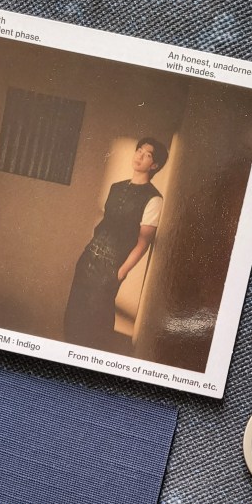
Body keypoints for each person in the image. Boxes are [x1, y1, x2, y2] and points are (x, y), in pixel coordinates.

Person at [64, 137, 168, 350]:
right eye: (139, 150)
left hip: (111, 266)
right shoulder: (116, 188)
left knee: (96, 319)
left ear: (154, 165)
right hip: (89, 257)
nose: (139, 156)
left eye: (147, 155)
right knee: (75, 313)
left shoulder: (154, 199)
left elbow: (143, 242)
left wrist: (121, 272)